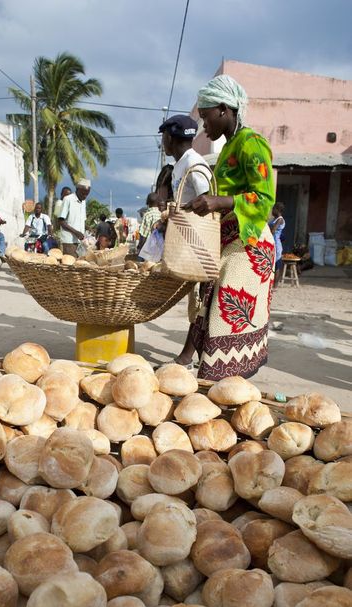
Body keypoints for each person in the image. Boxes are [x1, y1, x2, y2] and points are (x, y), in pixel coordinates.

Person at [176, 74, 276, 380]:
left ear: (224, 109)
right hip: (227, 240)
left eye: (206, 118)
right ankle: (201, 372)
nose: (204, 126)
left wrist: (219, 202)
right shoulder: (231, 146)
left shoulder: (252, 143)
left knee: (225, 311)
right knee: (207, 303)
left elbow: (264, 198)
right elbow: (224, 192)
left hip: (249, 244)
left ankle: (219, 384)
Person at [159, 115, 210, 366]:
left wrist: (182, 211)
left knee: (200, 300)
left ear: (170, 137)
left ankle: (186, 357)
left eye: (163, 138)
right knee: (197, 300)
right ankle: (194, 355)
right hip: (187, 239)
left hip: (199, 241)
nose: (163, 143)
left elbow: (207, 199)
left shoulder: (193, 162)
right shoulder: (180, 164)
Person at [58, 179, 91, 257]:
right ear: (77, 189)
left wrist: (89, 228)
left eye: (87, 194)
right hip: (69, 241)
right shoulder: (68, 199)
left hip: (81, 242)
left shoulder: (83, 202)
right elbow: (61, 221)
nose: (85, 196)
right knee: (70, 265)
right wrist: (76, 232)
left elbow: (81, 220)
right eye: (83, 193)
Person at [269, 202, 286, 287]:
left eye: (273, 209)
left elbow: (273, 231)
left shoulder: (280, 219)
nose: (272, 211)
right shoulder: (274, 219)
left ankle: (275, 285)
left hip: (276, 245)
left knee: (277, 265)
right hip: (272, 243)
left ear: (278, 210)